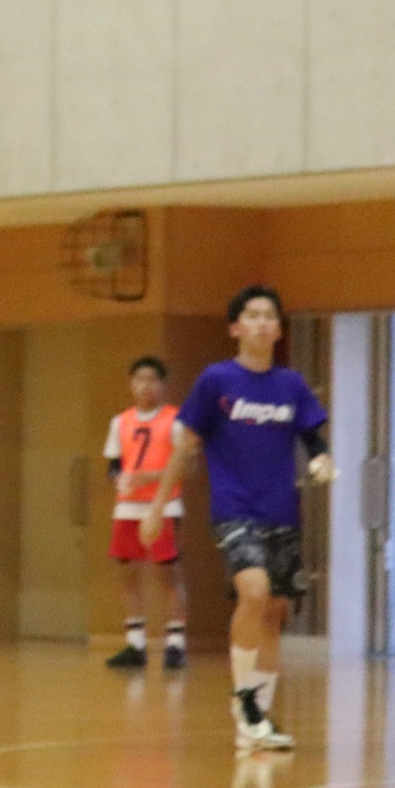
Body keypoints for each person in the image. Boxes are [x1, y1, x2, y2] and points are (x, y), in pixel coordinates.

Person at [141, 286, 332, 752]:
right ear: (236, 327)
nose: (263, 322)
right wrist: (157, 506)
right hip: (235, 509)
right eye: (253, 315)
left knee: (274, 612)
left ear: (279, 329)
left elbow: (314, 439)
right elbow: (184, 447)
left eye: (270, 316)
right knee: (254, 591)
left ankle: (256, 719)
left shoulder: (291, 385)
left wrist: (322, 460)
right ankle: (244, 700)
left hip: (282, 511)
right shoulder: (217, 381)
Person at [103, 356, 188, 670]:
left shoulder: (175, 420)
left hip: (163, 505)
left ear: (162, 384)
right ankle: (135, 642)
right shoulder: (121, 421)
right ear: (131, 384)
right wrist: (120, 479)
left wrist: (149, 478)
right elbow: (114, 465)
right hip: (128, 506)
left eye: (152, 379)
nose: (145, 385)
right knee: (127, 572)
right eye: (139, 379)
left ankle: (175, 643)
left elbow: (184, 467)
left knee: (169, 572)